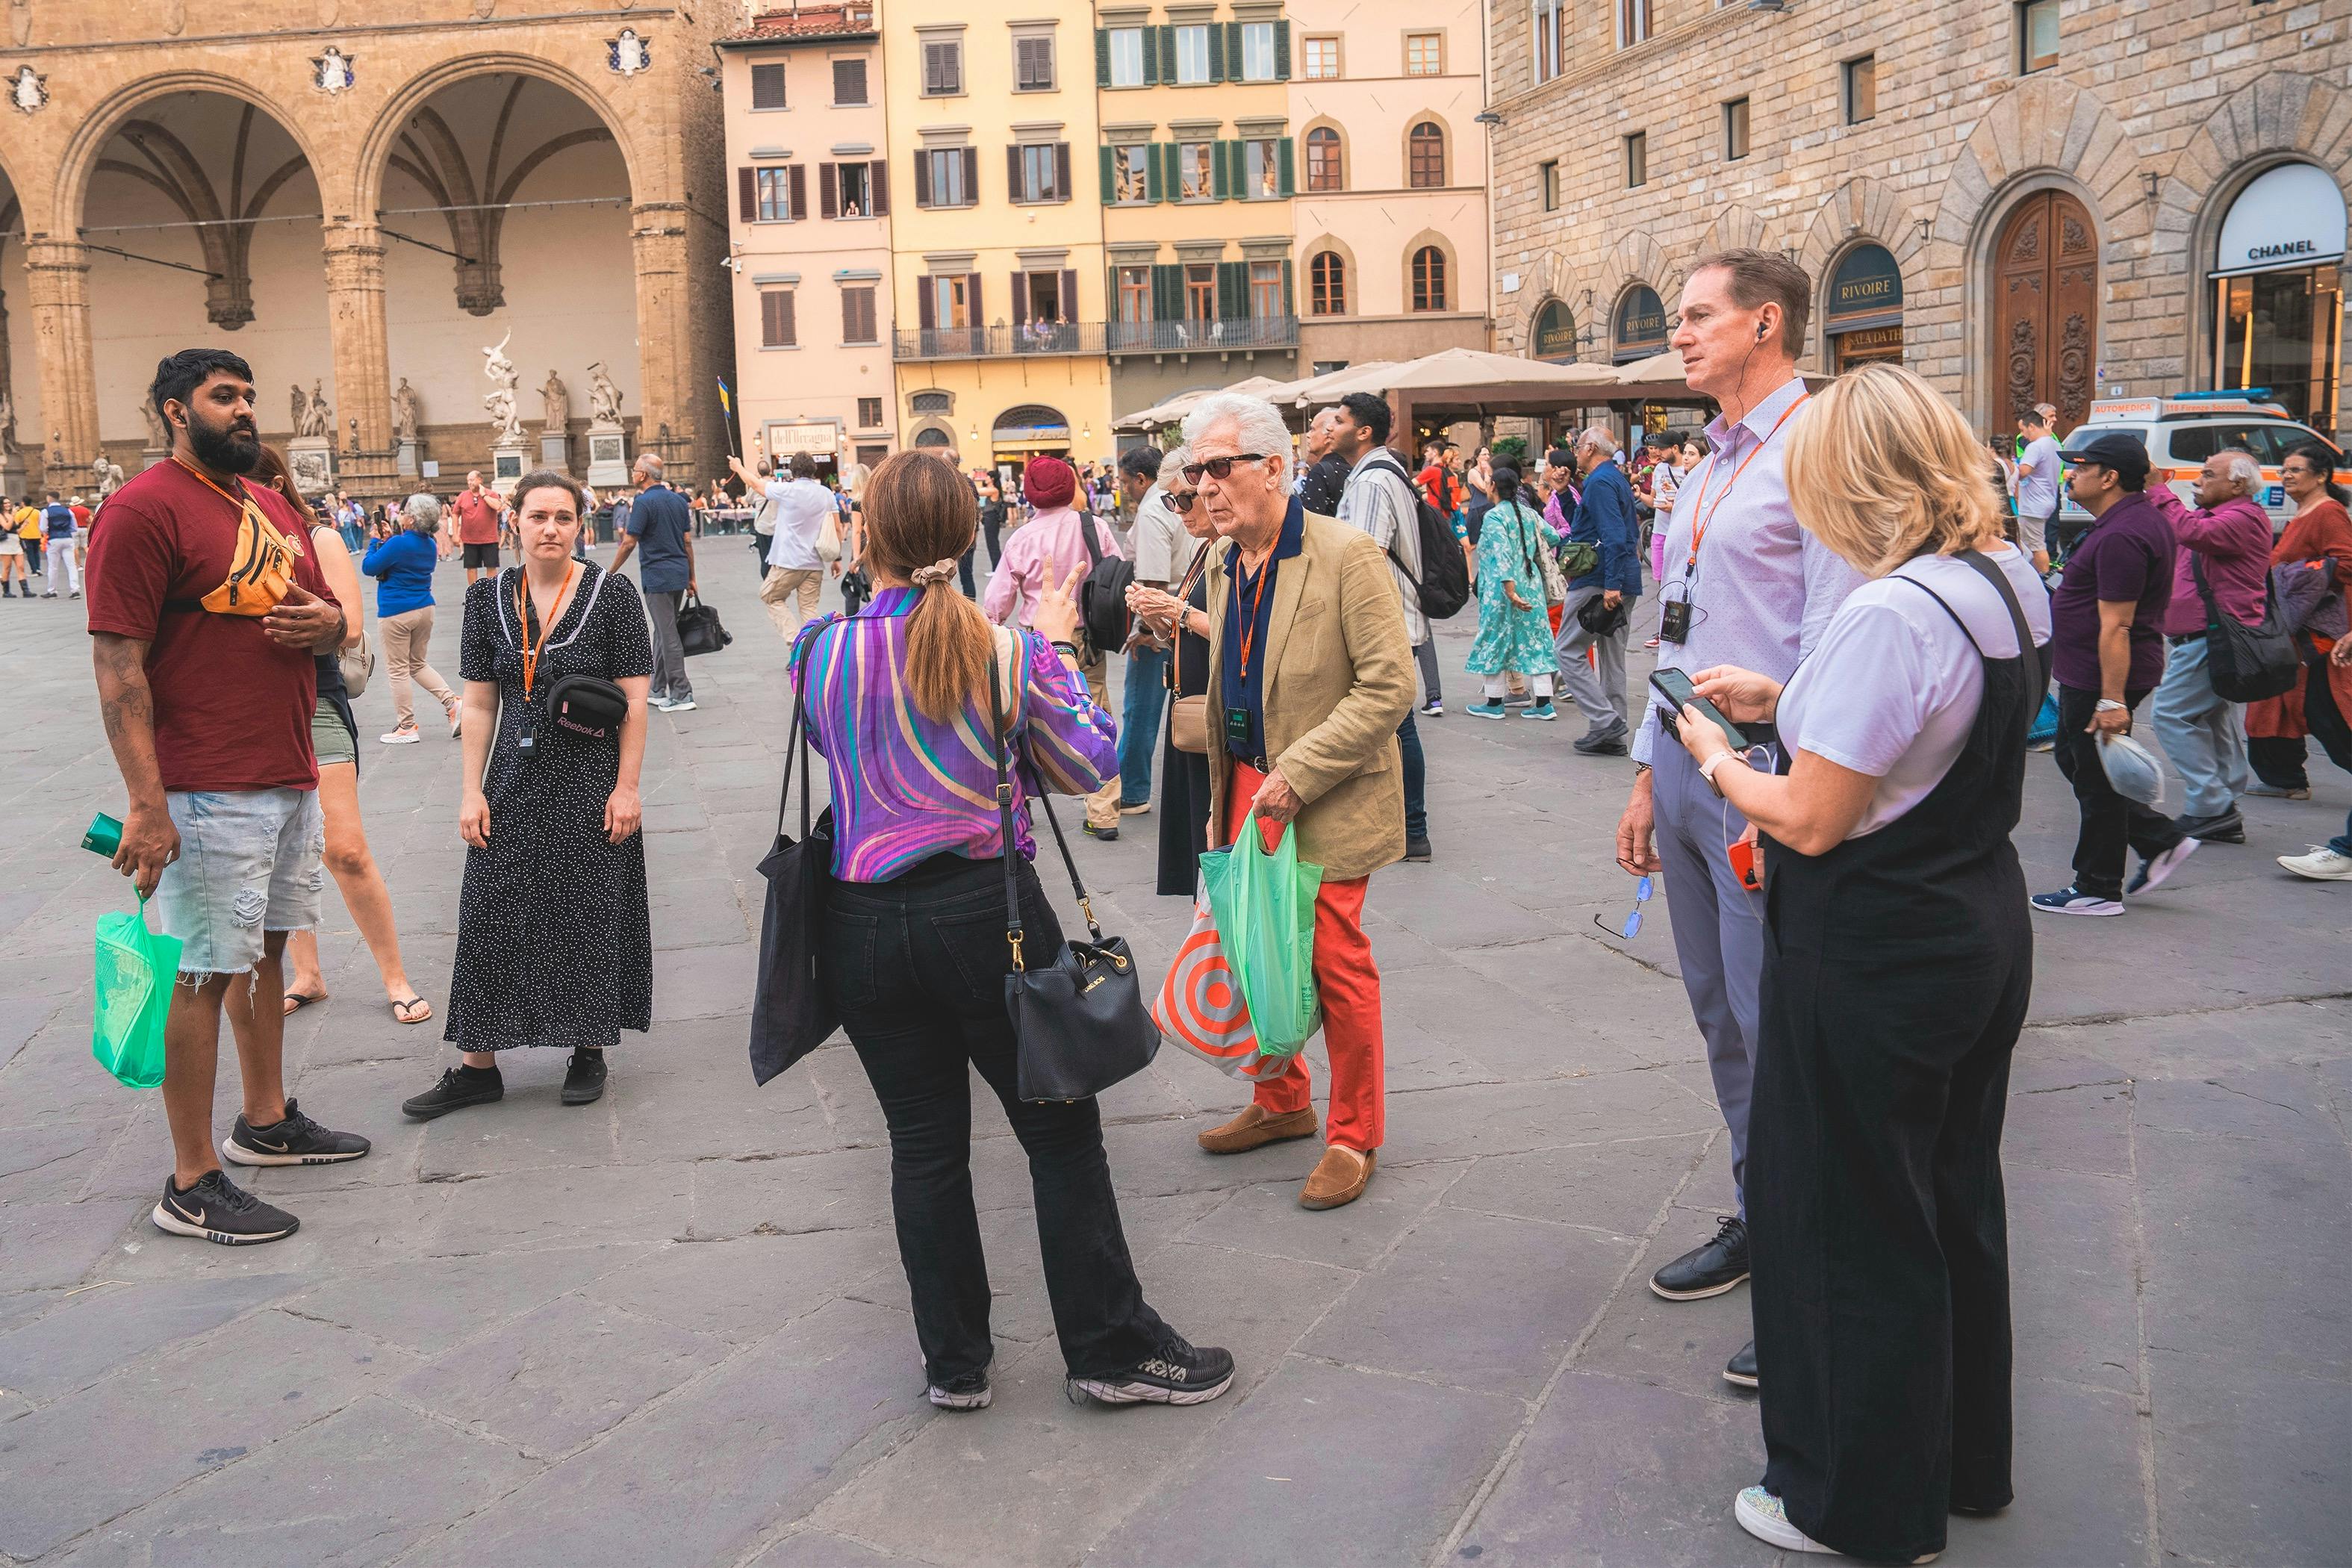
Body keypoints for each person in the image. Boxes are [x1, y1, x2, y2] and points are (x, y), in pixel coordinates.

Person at [1667, 363, 2042, 1562]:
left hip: (1873, 940)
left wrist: (1715, 755)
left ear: (1848, 478)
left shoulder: (1888, 610)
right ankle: (1964, 1462)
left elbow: (1813, 816)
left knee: (1845, 1217)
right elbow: (1922, 729)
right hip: (1973, 915)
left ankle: (1852, 1502)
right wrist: (1787, 694)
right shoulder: (2001, 578)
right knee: (1949, 1198)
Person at [791, 449, 1233, 1412]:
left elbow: (835, 749)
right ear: (965, 535)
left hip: (860, 924)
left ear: (867, 534)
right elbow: (1093, 763)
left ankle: (955, 1365)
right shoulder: (1007, 652)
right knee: (1060, 1135)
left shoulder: (818, 649)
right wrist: (1063, 644)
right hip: (984, 915)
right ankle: (1110, 1349)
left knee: (922, 1146)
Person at [1613, 251, 1864, 1388]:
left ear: (1767, 323)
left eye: (1699, 316)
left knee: (1781, 1029)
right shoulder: (1708, 462)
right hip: (1682, 767)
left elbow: (1835, 636)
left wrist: (1793, 770)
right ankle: (1761, 1211)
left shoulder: (1816, 451)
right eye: (1678, 318)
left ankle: (1817, 1268)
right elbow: (1674, 629)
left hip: (1764, 776)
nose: (1680, 334)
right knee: (1719, 1015)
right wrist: (1641, 772)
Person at [87, 347, 370, 1246]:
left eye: (249, 395)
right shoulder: (141, 510)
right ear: (177, 411)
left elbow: (328, 613)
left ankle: (264, 1121)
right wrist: (147, 802)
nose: (245, 410)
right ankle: (192, 1177)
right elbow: (116, 661)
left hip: (286, 767)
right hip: (203, 780)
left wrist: (327, 624)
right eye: (224, 397)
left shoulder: (269, 502)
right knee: (204, 971)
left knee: (267, 956)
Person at [1184, 392, 1415, 1211]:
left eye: (1219, 467)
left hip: (1321, 789)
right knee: (1253, 946)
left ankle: (1354, 1134)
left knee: (1337, 964)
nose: (1203, 486)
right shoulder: (1221, 560)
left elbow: (1393, 685)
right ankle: (1282, 1101)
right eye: (1194, 472)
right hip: (1243, 780)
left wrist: (1298, 773)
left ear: (1274, 467)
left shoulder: (1346, 554)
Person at [402, 471, 654, 1120]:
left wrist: (628, 789)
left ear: (581, 526)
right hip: (512, 779)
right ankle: (477, 1066)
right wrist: (470, 791)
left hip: (590, 774)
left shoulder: (613, 593)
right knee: (489, 907)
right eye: (538, 516)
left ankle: (588, 1047)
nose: (550, 528)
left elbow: (635, 702)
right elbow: (481, 703)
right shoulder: (488, 600)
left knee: (587, 908)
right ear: (512, 520)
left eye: (563, 518)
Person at [243, 447, 432, 1027]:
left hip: (314, 702)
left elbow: (349, 624)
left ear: (276, 484)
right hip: (248, 712)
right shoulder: (225, 545)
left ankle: (395, 976)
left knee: (345, 848)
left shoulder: (317, 539)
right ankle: (308, 975)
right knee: (279, 855)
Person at [2031, 429, 2196, 916]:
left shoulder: (2125, 533)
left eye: (2081, 468)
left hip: (2105, 674)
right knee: (2075, 760)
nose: (2071, 475)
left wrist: (2112, 700)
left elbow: (2118, 625)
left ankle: (2097, 887)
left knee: (2096, 780)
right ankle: (2158, 838)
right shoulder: (2122, 522)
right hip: (2089, 671)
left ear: (2110, 477)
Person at [981, 454, 1125, 839]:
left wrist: (992, 629)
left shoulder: (1021, 538)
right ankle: (1104, 813)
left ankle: (1019, 801)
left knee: (1020, 716)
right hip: (1084, 637)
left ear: (1029, 493)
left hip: (1034, 641)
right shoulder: (1095, 527)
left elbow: (996, 601)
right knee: (1094, 710)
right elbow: (1117, 572)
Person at [2147, 449, 2274, 845]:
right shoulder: (2215, 515)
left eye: (2207, 474)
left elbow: (2190, 533)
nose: (2197, 481)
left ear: (2237, 484)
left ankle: (2211, 804)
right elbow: (2180, 533)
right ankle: (2223, 802)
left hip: (2213, 637)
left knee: (2170, 714)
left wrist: (2159, 488)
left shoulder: (2243, 519)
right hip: (2202, 636)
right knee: (2212, 717)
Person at [1330, 391, 1433, 862]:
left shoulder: (1371, 481)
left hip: (1384, 616)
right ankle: (1407, 828)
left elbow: (1364, 555)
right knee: (1396, 722)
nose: (1331, 427)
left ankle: (1413, 830)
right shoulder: (1382, 472)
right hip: (1395, 612)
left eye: (1340, 420)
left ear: (1363, 431)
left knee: (1398, 722)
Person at [1124, 454, 1217, 896]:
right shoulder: (1205, 549)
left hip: (1209, 710)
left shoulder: (1228, 549)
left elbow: (1242, 631)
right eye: (1172, 501)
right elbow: (1190, 629)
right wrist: (1160, 619)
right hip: (1190, 707)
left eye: (1185, 498)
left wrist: (1178, 612)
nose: (1179, 510)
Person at [2247, 441, 2352, 806]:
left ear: (2321, 475)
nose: (2286, 476)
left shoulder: (2328, 513)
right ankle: (2284, 779)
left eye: (2295, 470)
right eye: (2284, 470)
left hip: (2321, 632)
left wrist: (2293, 576)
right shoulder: (2307, 511)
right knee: (2275, 701)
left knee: (2326, 708)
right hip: (2294, 628)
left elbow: (2347, 563)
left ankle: (2286, 778)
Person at [1556, 426, 1645, 753]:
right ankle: (1612, 735)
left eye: (1578, 447)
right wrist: (1565, 494)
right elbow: (1587, 527)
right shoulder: (1612, 479)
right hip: (1618, 578)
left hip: (1598, 580)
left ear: (1591, 447)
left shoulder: (1600, 482)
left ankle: (1605, 721)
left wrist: (1611, 585)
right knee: (1612, 658)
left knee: (1567, 649)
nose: (1575, 452)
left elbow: (1613, 534)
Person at [1463, 464, 1560, 721]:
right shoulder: (1528, 514)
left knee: (1495, 639)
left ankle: (1494, 703)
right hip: (1532, 584)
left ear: (1493, 487)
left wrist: (1509, 588)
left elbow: (1502, 554)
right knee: (1537, 640)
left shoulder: (1494, 517)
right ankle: (1543, 703)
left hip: (1501, 590)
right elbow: (1553, 536)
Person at [1119, 443, 1183, 816]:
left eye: (1127, 483)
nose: (1125, 490)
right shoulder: (1176, 501)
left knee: (1142, 707)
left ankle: (1133, 790)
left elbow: (1152, 579)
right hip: (1185, 610)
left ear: (1142, 479)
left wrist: (1146, 629)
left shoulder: (1154, 508)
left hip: (1162, 618)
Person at [609, 452, 699, 712]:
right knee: (662, 630)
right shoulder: (678, 500)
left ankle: (682, 693)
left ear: (644, 475)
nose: (633, 473)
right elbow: (687, 542)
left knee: (668, 634)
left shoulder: (644, 503)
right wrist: (692, 577)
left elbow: (628, 542)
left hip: (657, 576)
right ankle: (658, 688)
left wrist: (611, 572)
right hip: (678, 573)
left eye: (635, 469)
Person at [747, 452, 833, 640]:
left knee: (769, 596)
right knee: (809, 609)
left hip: (789, 561)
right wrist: (837, 559)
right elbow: (835, 529)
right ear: (813, 469)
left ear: (792, 470)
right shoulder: (826, 494)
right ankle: (811, 652)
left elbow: (756, 485)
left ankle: (796, 642)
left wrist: (738, 467)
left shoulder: (787, 490)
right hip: (815, 563)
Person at [2014, 403, 2062, 573]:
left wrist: (2010, 468)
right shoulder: (2055, 444)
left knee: (2036, 545)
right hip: (2047, 498)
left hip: (2033, 504)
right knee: (2032, 543)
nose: (2023, 435)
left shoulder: (2035, 446)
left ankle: (2043, 578)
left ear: (2032, 426)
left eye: (2024, 430)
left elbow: (2024, 472)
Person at [449, 470, 507, 585]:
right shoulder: (463, 496)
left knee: (491, 566)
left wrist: (484, 495)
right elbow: (455, 513)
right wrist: (455, 534)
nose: (469, 483)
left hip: (489, 538)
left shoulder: (491, 494)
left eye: (472, 480)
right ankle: (473, 594)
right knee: (471, 567)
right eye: (468, 481)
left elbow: (497, 506)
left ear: (480, 480)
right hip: (469, 539)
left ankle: (491, 593)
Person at [1296, 408, 1350, 517]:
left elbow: (1310, 522)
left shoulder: (1320, 471)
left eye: (1313, 429)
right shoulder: (1350, 466)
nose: (1308, 435)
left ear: (1328, 437)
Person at [42, 490, 81, 597]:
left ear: (49, 498)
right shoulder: (68, 511)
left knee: (53, 566)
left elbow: (43, 528)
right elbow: (74, 527)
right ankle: (75, 590)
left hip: (54, 538)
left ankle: (52, 591)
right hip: (67, 538)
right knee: (71, 566)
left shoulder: (46, 512)